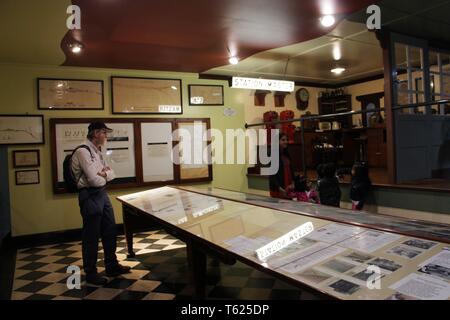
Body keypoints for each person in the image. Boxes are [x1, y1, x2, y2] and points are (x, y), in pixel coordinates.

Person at [71, 121, 131, 285]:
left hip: (101, 194)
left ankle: (111, 265)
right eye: (104, 133)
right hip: (89, 195)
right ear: (96, 133)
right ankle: (91, 273)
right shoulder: (83, 151)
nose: (106, 136)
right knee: (91, 236)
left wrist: (104, 174)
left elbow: (111, 174)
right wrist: (104, 175)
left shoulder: (96, 151)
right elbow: (94, 180)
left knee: (110, 230)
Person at [269, 133, 295, 199]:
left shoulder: (287, 154)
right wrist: (280, 189)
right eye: (283, 140)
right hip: (278, 190)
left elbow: (291, 170)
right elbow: (272, 176)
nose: (286, 142)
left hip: (288, 188)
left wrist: (293, 183)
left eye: (286, 140)